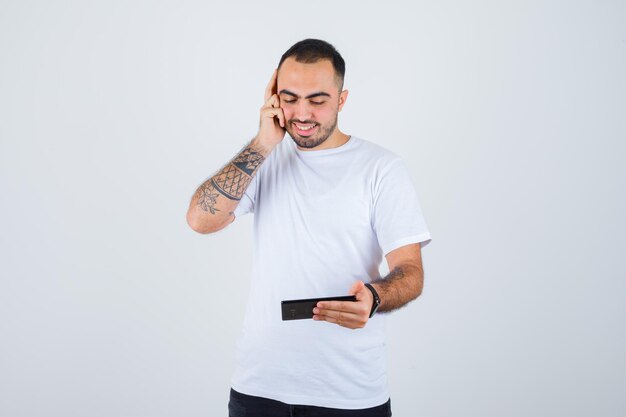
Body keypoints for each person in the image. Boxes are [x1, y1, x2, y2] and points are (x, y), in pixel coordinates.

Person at [186, 39, 432, 417]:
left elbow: (411, 272)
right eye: (289, 98)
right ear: (273, 97)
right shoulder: (263, 159)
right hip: (259, 388)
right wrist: (262, 142)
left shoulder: (382, 168)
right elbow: (201, 220)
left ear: (342, 99)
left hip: (349, 392)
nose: (302, 113)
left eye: (317, 100)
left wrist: (375, 296)